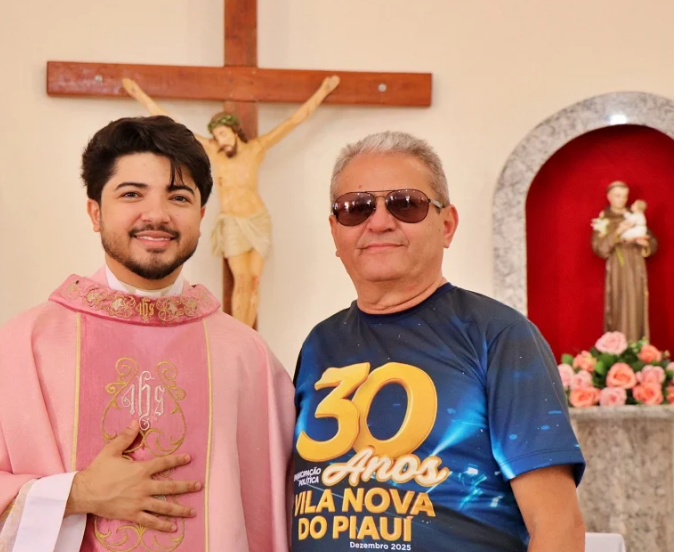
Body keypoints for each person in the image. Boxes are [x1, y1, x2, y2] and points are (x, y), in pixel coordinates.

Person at [0, 115, 295, 552]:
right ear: (95, 212)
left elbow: (292, 506)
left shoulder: (246, 357)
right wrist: (76, 494)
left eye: (178, 197)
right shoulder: (25, 348)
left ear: (200, 215)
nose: (156, 215)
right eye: (132, 194)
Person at [291, 131, 586, 552]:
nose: (379, 222)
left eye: (405, 203)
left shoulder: (499, 336)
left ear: (446, 225)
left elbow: (558, 526)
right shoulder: (319, 344)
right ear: (335, 231)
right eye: (356, 208)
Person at [122, 75, 340, 327]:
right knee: (242, 280)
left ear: (235, 132)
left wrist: (323, 91)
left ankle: (251, 337)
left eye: (224, 134)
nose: (221, 139)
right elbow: (173, 122)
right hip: (233, 222)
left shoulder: (256, 149)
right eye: (217, 135)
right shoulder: (214, 152)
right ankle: (239, 333)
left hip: (257, 219)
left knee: (254, 281)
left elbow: (293, 121)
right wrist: (139, 94)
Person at [591, 181, 658, 341]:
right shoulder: (604, 220)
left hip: (636, 266)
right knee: (618, 305)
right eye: (617, 196)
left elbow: (652, 242)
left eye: (624, 196)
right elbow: (599, 248)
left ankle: (637, 346)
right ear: (609, 197)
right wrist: (618, 232)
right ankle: (617, 347)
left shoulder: (634, 216)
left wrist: (645, 243)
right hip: (617, 269)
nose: (622, 200)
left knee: (636, 305)